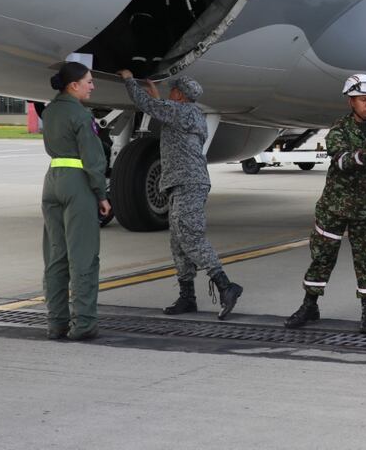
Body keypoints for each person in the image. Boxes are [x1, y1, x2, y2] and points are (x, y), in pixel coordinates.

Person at [117, 70, 242, 320]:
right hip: (179, 183)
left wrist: (129, 80)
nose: (170, 93)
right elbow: (157, 106)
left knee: (191, 237)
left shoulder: (180, 112)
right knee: (178, 243)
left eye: (173, 90)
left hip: (189, 183)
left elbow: (148, 105)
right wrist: (153, 91)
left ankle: (226, 286)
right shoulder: (186, 112)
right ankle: (187, 297)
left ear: (181, 96)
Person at [285, 73, 366, 334]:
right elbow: (341, 160)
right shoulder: (338, 130)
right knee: (322, 257)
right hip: (335, 207)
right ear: (351, 102)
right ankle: (310, 305)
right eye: (363, 99)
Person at [41, 61, 110, 341]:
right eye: (89, 82)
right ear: (74, 85)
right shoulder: (81, 116)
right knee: (83, 257)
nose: (92, 86)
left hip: (52, 180)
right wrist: (102, 195)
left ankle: (56, 323)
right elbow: (93, 159)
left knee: (56, 257)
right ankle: (83, 324)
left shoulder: (51, 111)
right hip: (76, 182)